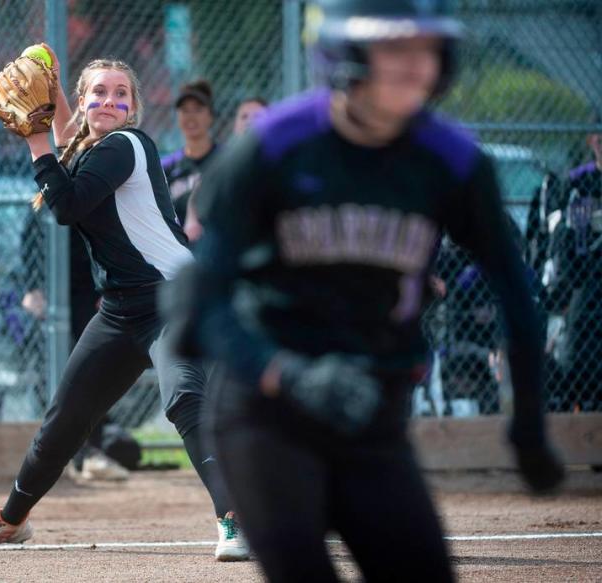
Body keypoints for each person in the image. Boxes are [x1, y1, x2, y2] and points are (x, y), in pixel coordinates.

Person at [164, 1, 565, 580]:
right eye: (394, 49)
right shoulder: (275, 146)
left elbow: (517, 296)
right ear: (344, 53)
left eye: (428, 49)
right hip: (265, 410)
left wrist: (528, 427)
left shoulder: (452, 160)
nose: (416, 66)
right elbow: (196, 303)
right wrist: (286, 374)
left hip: (370, 414)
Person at [0, 50, 248, 561]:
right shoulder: (86, 149)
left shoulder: (127, 145)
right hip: (119, 311)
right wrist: (55, 94)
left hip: (175, 298)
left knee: (183, 397)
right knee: (65, 419)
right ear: (84, 102)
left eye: (120, 94)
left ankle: (235, 518)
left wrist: (34, 134)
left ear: (132, 110)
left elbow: (65, 205)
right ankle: (11, 519)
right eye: (98, 93)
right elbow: (68, 147)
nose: (109, 100)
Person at [16, 211, 128, 481]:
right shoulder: (45, 199)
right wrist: (31, 288)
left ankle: (91, 453)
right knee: (53, 371)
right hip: (50, 290)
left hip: (86, 292)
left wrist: (107, 289)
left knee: (94, 370)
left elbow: (108, 241)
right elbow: (29, 245)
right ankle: (55, 455)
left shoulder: (94, 187)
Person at [543, 121, 602, 412]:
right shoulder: (579, 182)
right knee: (579, 355)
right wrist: (567, 283)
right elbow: (562, 237)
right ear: (594, 142)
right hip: (586, 280)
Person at [183, 96, 267, 242]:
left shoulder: (280, 162)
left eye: (258, 116)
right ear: (235, 126)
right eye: (244, 116)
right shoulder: (221, 162)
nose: (250, 121)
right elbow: (199, 193)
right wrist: (192, 220)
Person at [162, 80, 219, 226]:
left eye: (198, 109)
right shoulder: (167, 167)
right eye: (185, 110)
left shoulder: (225, 161)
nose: (190, 117)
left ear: (211, 115)